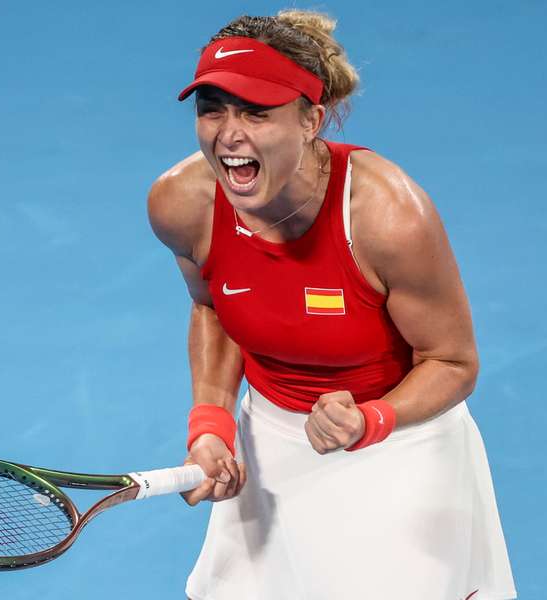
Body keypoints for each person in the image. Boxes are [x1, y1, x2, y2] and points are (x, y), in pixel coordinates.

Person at [147, 10, 517, 600]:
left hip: (400, 442)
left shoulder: (387, 215)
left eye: (255, 112)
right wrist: (212, 424)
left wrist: (370, 421)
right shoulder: (181, 203)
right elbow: (213, 308)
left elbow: (453, 362)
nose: (228, 133)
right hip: (269, 441)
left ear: (311, 119)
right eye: (211, 109)